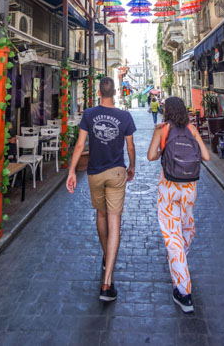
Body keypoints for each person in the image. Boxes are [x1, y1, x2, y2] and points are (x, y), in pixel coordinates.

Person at [66, 76, 136, 302]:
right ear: (115, 92)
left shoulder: (88, 114)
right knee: (114, 221)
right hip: (116, 172)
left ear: (99, 92)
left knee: (101, 214)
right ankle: (107, 283)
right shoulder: (125, 116)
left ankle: (107, 256)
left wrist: (71, 171)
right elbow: (130, 145)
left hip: (94, 173)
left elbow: (79, 145)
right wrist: (132, 166)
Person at [147, 96, 210, 313]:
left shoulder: (162, 129)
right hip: (189, 187)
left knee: (172, 237)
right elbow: (207, 157)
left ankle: (183, 292)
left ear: (166, 111)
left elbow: (150, 157)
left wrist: (163, 149)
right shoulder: (192, 129)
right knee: (186, 230)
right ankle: (180, 260)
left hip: (168, 186)